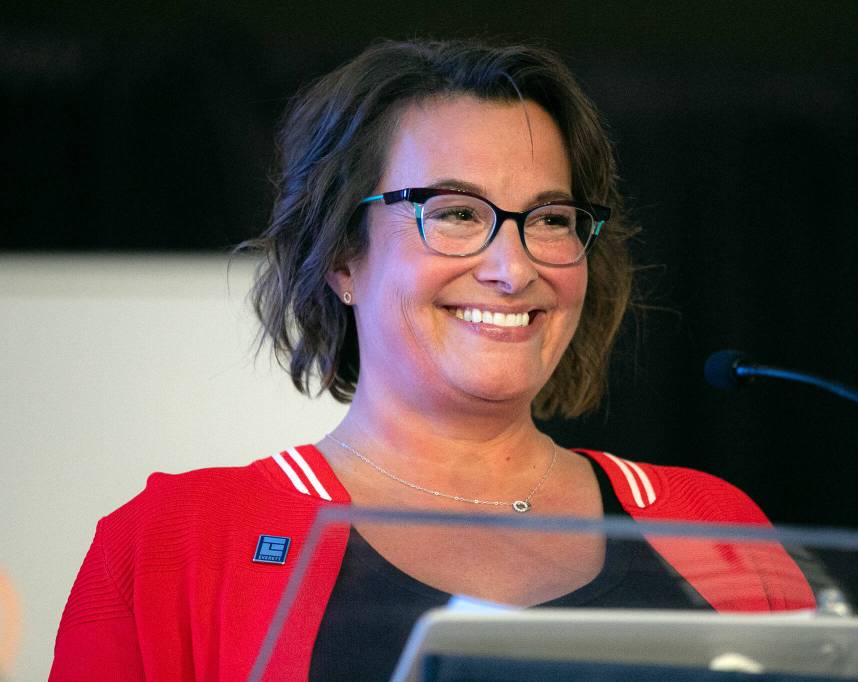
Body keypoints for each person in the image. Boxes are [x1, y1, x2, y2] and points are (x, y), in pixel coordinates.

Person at [51, 39, 815, 680]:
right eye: (454, 213)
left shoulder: (717, 528)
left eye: (550, 219)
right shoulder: (174, 545)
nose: (513, 269)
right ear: (341, 256)